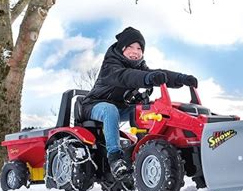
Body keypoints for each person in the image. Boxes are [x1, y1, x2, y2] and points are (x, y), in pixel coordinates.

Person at [81, 27, 198, 181]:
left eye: (139, 48)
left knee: (146, 111)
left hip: (121, 106)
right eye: (130, 47)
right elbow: (127, 77)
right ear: (121, 48)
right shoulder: (111, 65)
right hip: (95, 105)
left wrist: (181, 79)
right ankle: (115, 158)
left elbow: (156, 73)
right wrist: (148, 78)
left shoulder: (138, 66)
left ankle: (141, 149)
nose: (135, 51)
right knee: (110, 110)